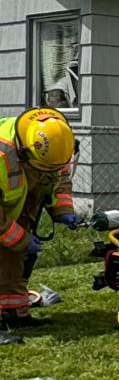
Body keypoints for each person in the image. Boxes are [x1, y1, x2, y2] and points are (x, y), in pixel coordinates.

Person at [0, 108, 79, 344]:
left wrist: (63, 211)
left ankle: (14, 312)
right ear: (24, 152)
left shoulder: (56, 144)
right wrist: (21, 239)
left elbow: (59, 179)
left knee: (14, 258)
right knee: (16, 246)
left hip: (15, 209)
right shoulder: (2, 154)